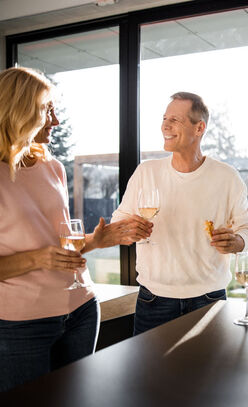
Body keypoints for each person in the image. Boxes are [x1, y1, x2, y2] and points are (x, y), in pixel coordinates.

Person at [0, 67, 151, 392]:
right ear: (18, 111)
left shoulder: (51, 167)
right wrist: (38, 259)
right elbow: (44, 255)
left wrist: (97, 240)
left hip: (81, 310)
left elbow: (60, 247)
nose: (55, 120)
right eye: (46, 110)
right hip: (22, 324)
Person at [111, 91, 248, 335]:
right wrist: (129, 229)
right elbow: (119, 222)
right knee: (150, 374)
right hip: (153, 302)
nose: (165, 126)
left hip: (209, 300)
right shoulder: (146, 172)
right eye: (164, 118)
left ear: (199, 128)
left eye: (175, 120)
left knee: (209, 373)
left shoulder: (226, 176)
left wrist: (238, 241)